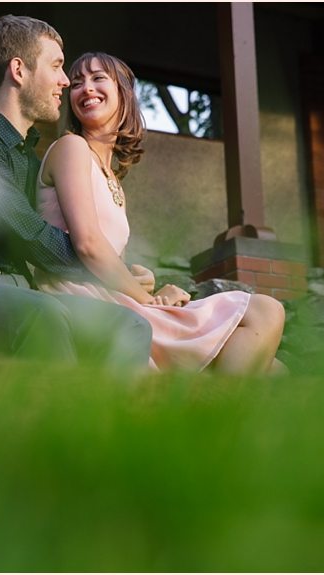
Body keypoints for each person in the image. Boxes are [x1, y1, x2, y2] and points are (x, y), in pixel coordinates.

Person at [0, 17, 154, 369]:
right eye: (57, 66)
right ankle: (57, 423)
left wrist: (121, 270)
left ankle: (110, 421)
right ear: (19, 71)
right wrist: (114, 272)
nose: (66, 82)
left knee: (130, 325)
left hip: (19, 294)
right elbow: (30, 235)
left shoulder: (27, 159)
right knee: (44, 316)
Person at [35, 52, 286, 374]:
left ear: (124, 93)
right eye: (78, 82)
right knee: (265, 310)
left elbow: (106, 256)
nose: (86, 89)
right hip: (81, 298)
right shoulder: (71, 148)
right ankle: (215, 415)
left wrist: (140, 276)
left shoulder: (112, 179)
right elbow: (87, 244)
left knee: (274, 369)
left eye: (98, 78)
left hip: (110, 294)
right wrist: (146, 298)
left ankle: (207, 406)